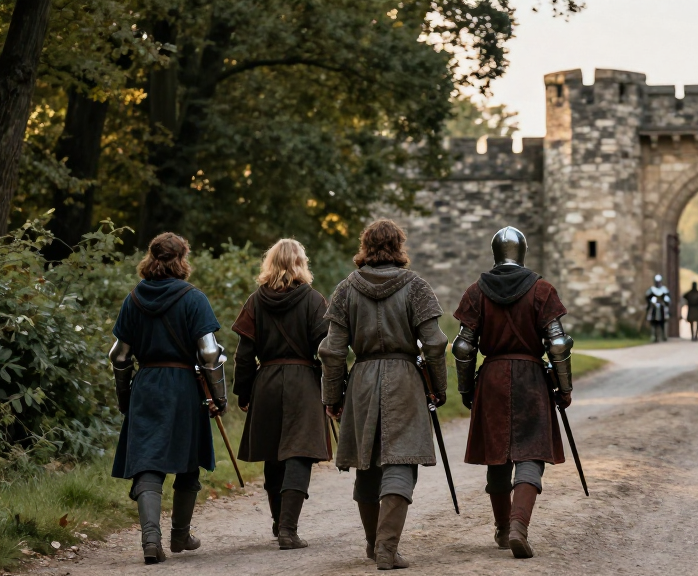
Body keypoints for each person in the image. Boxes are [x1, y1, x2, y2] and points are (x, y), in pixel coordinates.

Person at [318, 219, 449, 570]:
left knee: (368, 461)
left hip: (361, 379)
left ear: (365, 246)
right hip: (405, 378)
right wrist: (439, 387)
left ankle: (374, 545)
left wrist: (333, 395)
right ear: (398, 246)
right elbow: (435, 343)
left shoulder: (346, 289)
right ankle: (386, 549)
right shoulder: (416, 286)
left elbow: (332, 350)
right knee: (400, 460)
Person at [452, 226, 572, 560]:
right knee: (530, 452)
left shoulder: (477, 291)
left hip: (492, 377)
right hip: (531, 378)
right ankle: (519, 526)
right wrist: (564, 387)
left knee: (498, 454)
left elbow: (463, 346)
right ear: (522, 252)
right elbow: (558, 343)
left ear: (495, 252)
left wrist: (466, 388)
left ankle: (504, 528)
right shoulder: (541, 289)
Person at [108, 233, 226, 564]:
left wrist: (124, 398)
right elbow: (209, 352)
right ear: (182, 259)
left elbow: (119, 357)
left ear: (151, 258)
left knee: (148, 460)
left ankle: (150, 540)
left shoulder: (133, 299)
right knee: (187, 459)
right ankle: (179, 535)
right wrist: (220, 397)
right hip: (183, 387)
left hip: (145, 385)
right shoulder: (193, 298)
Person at [231, 239, 331, 550]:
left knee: (275, 456)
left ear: (270, 264)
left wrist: (243, 391)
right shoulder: (315, 301)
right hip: (303, 384)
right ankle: (288, 530)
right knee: (299, 454)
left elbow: (244, 355)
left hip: (268, 382)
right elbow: (327, 350)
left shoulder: (255, 301)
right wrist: (333, 390)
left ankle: (279, 524)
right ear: (301, 264)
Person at [644, 274, 671, 342]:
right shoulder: (652, 289)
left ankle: (664, 335)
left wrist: (665, 301)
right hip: (654, 308)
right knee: (653, 323)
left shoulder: (664, 289)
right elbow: (647, 297)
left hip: (662, 308)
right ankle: (654, 336)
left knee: (663, 322)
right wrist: (651, 302)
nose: (658, 283)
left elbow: (667, 298)